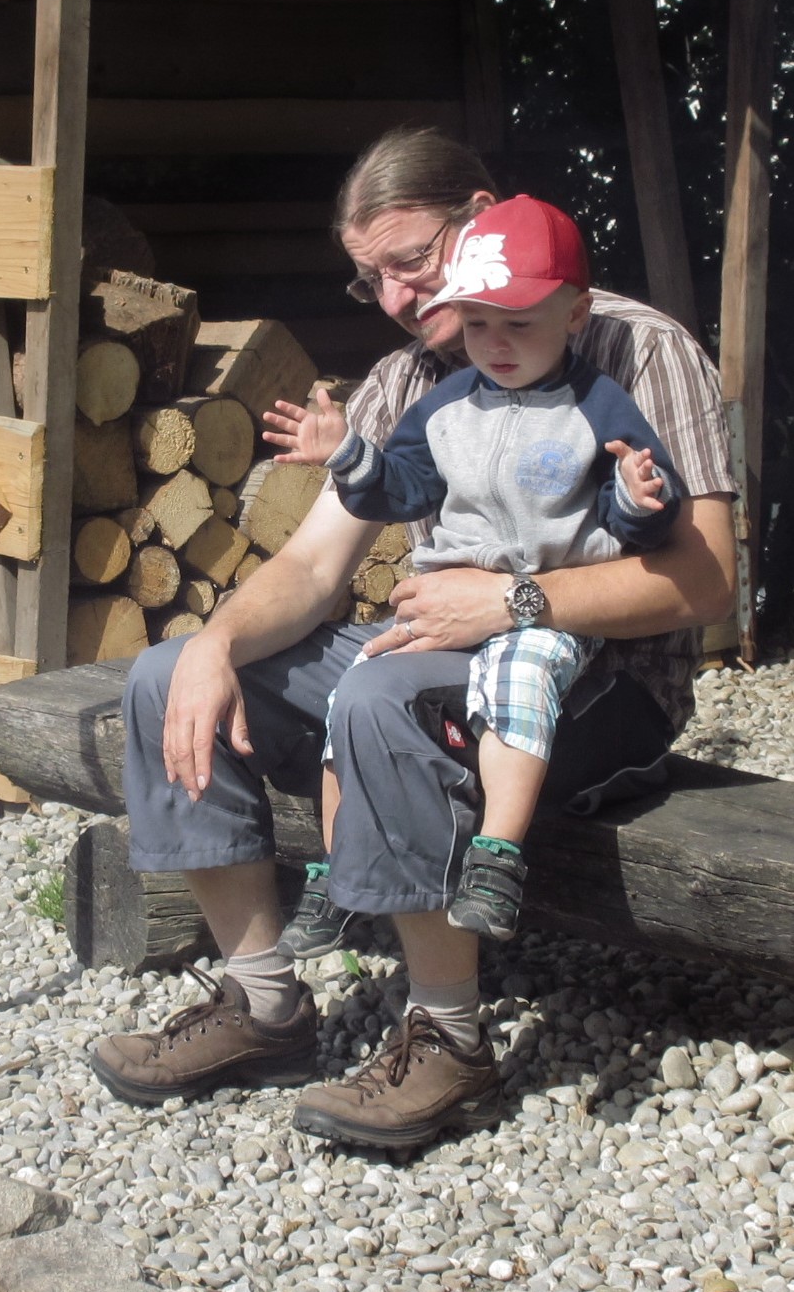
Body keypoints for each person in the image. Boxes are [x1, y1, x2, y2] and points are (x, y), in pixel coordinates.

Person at [90, 127, 734, 1154]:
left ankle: (448, 1039)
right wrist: (214, 642)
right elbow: (311, 567)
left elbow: (706, 579)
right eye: (370, 279)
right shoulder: (404, 382)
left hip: (605, 684)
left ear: (479, 218)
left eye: (410, 261)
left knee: (386, 697)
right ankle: (262, 1005)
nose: (394, 297)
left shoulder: (637, 349)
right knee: (168, 674)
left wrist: (514, 601)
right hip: (448, 651)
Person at [262, 195, 682, 945]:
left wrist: (638, 497)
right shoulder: (444, 405)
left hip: (545, 608)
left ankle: (496, 856)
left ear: (575, 315)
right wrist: (347, 456)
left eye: (519, 323)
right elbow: (402, 490)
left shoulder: (597, 404)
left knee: (520, 680)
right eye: (479, 323)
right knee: (353, 690)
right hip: (447, 607)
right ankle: (333, 869)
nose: (496, 342)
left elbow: (633, 521)